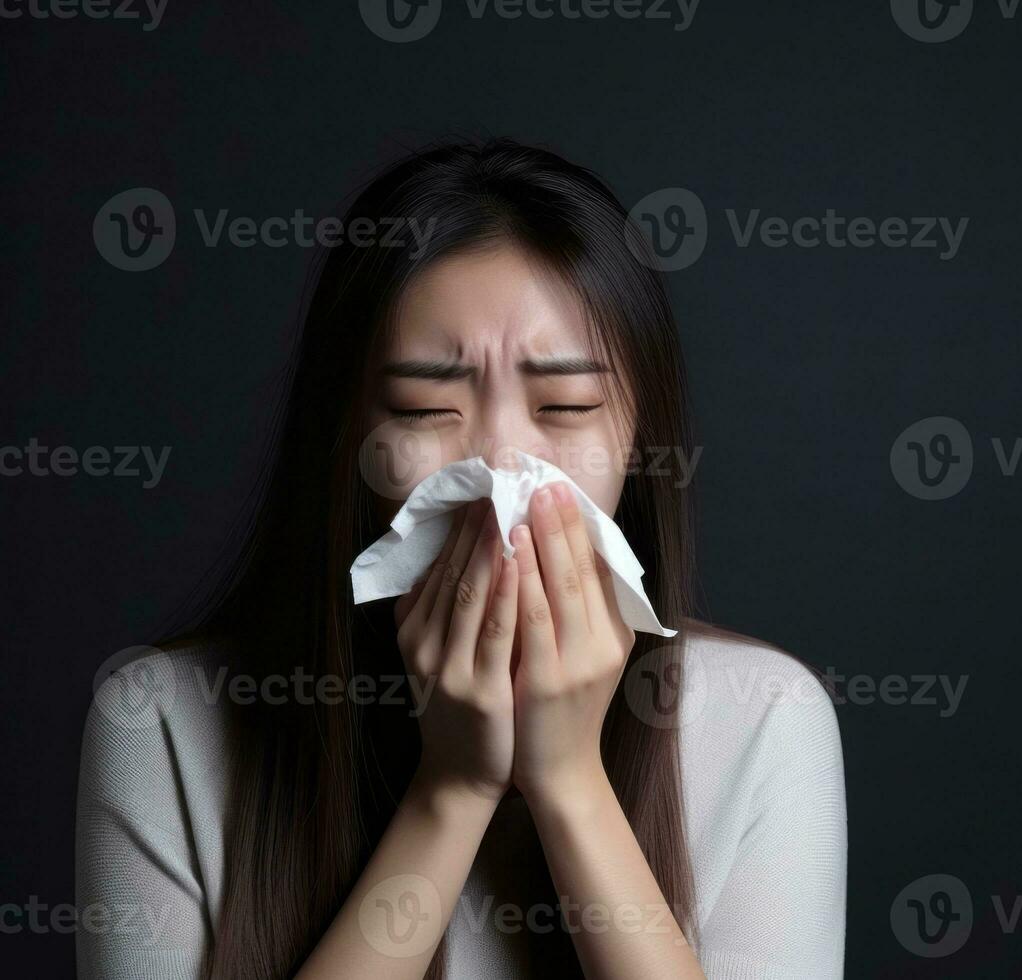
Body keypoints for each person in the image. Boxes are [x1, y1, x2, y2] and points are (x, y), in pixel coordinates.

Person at [75, 139, 847, 979]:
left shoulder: (760, 716)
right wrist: (452, 789)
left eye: (567, 405)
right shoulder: (161, 720)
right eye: (422, 408)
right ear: (346, 437)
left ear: (638, 437)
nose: (501, 469)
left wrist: (568, 782)